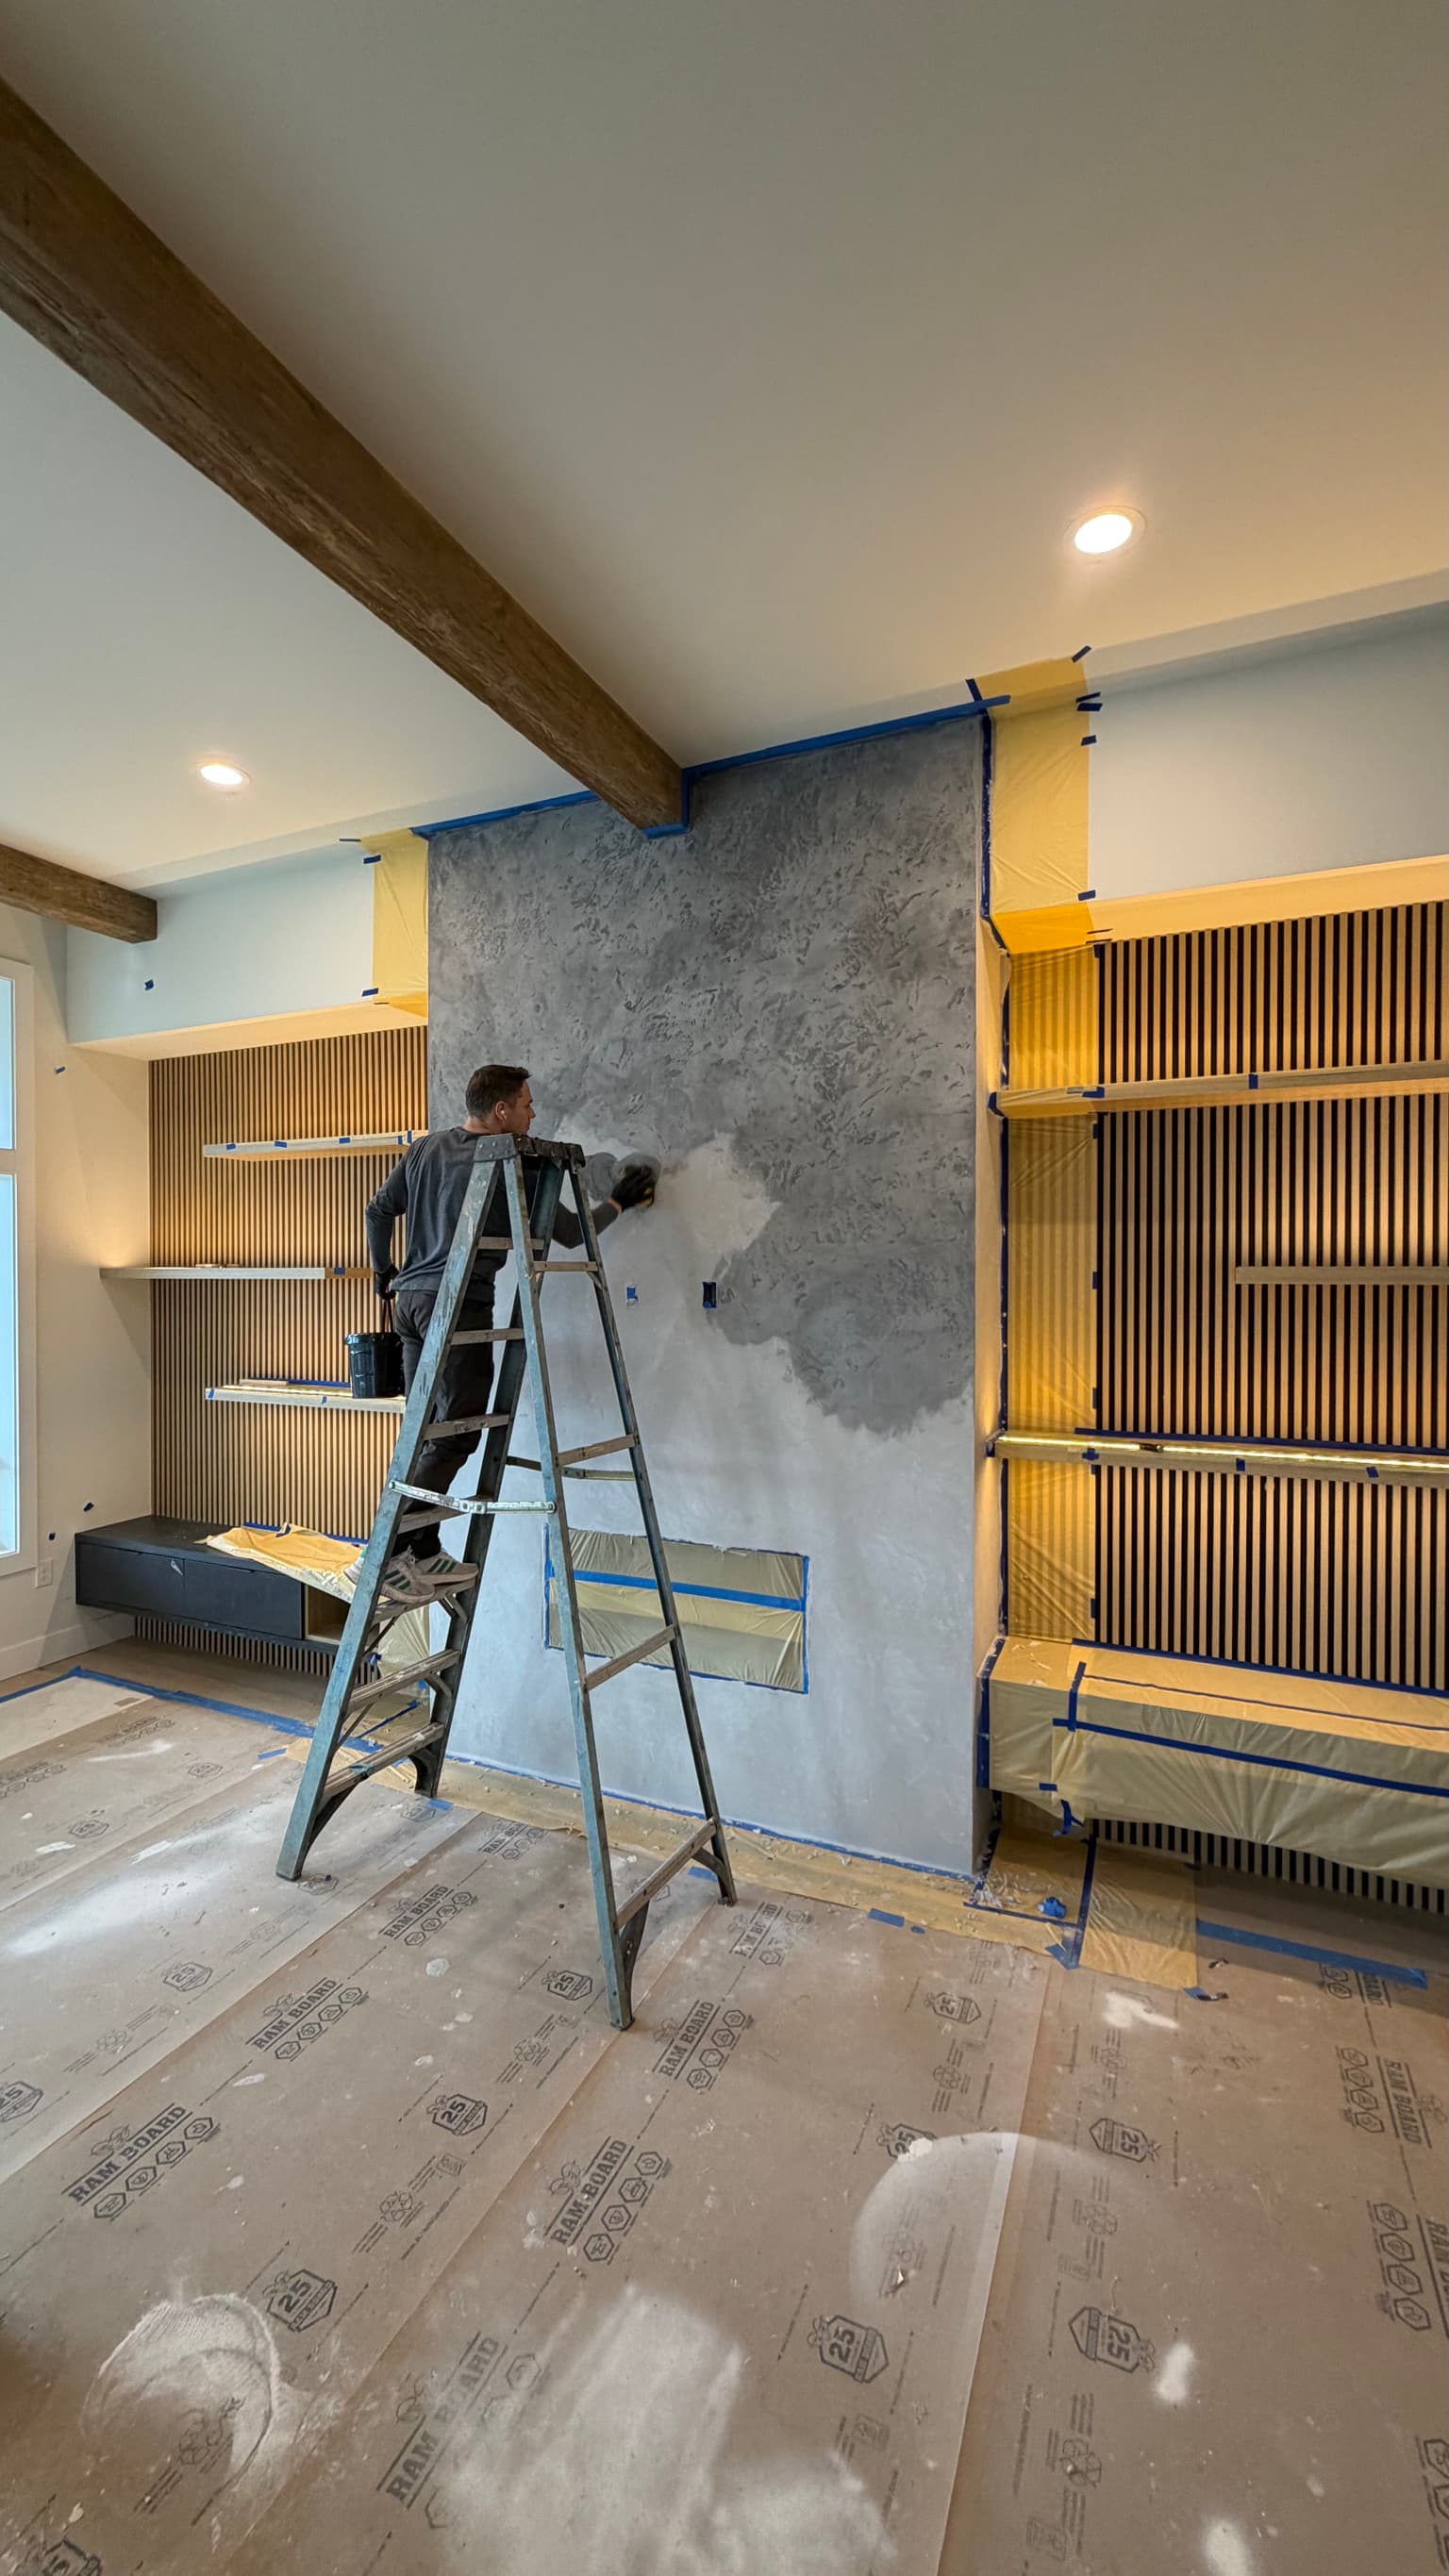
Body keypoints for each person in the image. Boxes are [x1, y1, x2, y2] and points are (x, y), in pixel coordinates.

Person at [364, 1064, 655, 1605]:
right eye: (526, 1104)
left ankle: (420, 1548)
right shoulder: (508, 1162)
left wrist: (383, 1274)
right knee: (456, 1435)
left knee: (426, 1432)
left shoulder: (426, 1149)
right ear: (501, 1112)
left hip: (410, 1306)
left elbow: (378, 1210)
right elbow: (569, 1233)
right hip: (458, 1310)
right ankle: (386, 1555)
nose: (532, 1113)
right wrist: (618, 1202)